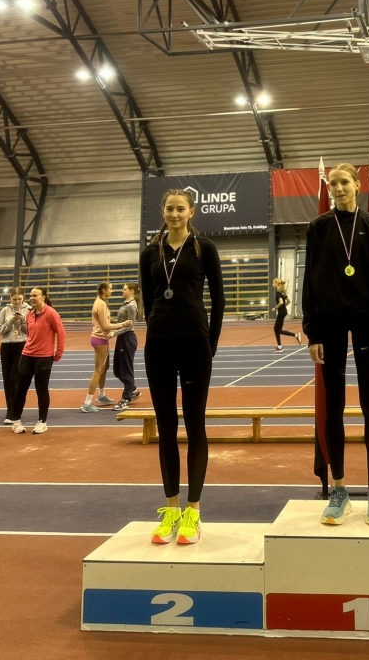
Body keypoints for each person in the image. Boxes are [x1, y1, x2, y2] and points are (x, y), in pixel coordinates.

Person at [303, 162, 369, 528]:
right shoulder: (318, 228)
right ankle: (339, 490)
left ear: (358, 185)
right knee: (334, 407)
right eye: (333, 183)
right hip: (329, 325)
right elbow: (309, 284)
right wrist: (312, 333)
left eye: (344, 182)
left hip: (367, 324)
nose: (338, 188)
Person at [140, 189, 225, 546]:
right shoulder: (150, 253)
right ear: (163, 212)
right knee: (166, 427)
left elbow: (219, 300)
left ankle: (193, 511)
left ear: (191, 212)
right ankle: (171, 509)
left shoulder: (204, 249)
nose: (174, 214)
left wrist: (210, 343)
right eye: (169, 209)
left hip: (195, 345)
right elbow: (148, 300)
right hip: (159, 346)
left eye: (180, 209)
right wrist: (158, 329)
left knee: (194, 425)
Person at [10, 287, 65, 434]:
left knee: (41, 390)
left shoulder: (51, 313)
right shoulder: (29, 314)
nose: (32, 298)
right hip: (27, 355)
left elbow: (61, 333)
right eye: (30, 296)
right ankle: (16, 421)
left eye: (35, 295)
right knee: (20, 389)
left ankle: (42, 422)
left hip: (44, 357)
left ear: (43, 297)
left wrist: (58, 352)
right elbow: (30, 334)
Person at [80, 281, 131, 414]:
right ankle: (87, 403)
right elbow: (105, 326)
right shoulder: (101, 304)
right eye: (110, 289)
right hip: (99, 339)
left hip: (102, 338)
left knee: (105, 367)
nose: (112, 291)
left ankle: (102, 395)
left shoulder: (102, 301)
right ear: (104, 291)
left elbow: (107, 322)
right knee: (98, 370)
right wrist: (123, 324)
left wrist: (117, 322)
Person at [0, 289, 30, 424]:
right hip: (6, 346)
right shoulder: (5, 311)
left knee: (14, 378)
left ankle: (15, 411)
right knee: (7, 378)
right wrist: (10, 321)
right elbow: (0, 331)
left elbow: (31, 331)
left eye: (19, 299)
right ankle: (10, 411)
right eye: (14, 299)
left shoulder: (29, 310)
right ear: (10, 298)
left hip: (22, 345)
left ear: (23, 298)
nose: (17, 302)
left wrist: (22, 322)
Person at [112, 282, 141, 413]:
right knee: (117, 371)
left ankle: (126, 398)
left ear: (131, 291)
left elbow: (129, 326)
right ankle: (133, 390)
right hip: (122, 338)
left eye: (124, 289)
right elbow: (121, 322)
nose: (122, 291)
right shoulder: (126, 304)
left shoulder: (131, 306)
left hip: (128, 338)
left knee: (126, 370)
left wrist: (114, 332)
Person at [271, 277, 301, 352]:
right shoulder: (282, 292)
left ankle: (295, 335)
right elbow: (289, 301)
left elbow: (281, 302)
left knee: (277, 330)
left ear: (276, 284)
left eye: (273, 283)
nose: (272, 284)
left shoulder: (278, 293)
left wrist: (275, 308)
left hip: (281, 313)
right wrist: (283, 306)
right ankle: (280, 346)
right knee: (277, 330)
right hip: (283, 312)